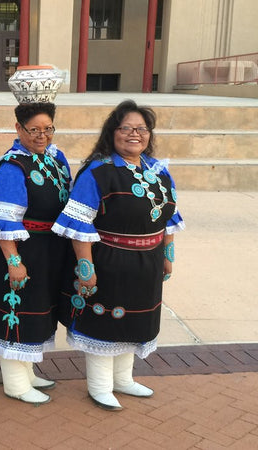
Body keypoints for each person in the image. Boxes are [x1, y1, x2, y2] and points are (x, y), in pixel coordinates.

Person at [52, 100, 185, 411]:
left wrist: (167, 253)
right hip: (109, 262)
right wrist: (86, 267)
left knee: (136, 322)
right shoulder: (98, 173)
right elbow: (78, 224)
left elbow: (169, 218)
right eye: (126, 128)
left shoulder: (158, 171)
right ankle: (99, 386)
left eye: (141, 129)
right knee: (105, 323)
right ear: (112, 133)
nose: (134, 134)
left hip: (147, 263)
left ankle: (123, 379)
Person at [0, 101, 73, 405]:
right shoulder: (13, 166)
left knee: (39, 312)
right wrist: (14, 261)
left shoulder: (55, 160)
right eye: (34, 130)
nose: (42, 135)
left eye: (48, 129)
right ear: (18, 129)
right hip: (22, 249)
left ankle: (28, 372)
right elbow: (5, 221)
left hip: (48, 249)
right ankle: (15, 383)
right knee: (18, 312)